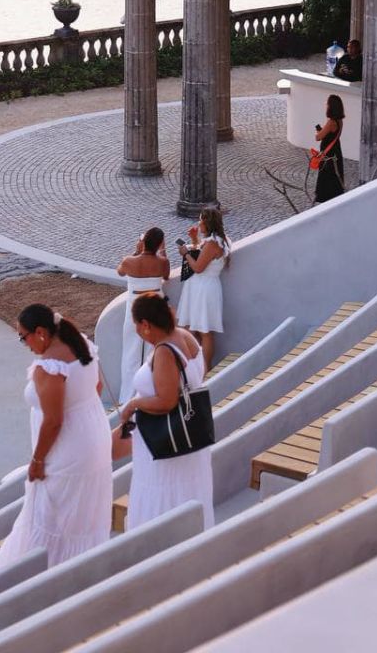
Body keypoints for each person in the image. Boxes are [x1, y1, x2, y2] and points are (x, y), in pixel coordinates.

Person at [0, 304, 112, 573]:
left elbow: (54, 421)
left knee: (50, 517)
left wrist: (37, 460)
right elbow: (97, 386)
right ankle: (82, 572)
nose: (25, 344)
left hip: (66, 452)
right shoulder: (82, 344)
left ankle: (43, 577)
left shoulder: (49, 367)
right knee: (84, 517)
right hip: (94, 439)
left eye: (23, 337)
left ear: (40, 332)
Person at [113, 294, 213, 530]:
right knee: (186, 493)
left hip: (165, 445)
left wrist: (133, 405)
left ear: (145, 324)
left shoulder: (165, 351)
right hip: (188, 439)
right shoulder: (186, 336)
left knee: (161, 496)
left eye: (136, 325)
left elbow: (167, 401)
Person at [117, 227, 171, 402]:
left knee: (130, 352)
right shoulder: (162, 262)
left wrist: (136, 251)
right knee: (153, 351)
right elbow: (166, 276)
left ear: (143, 241)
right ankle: (150, 392)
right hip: (156, 306)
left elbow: (120, 271)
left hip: (134, 307)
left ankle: (127, 396)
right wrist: (163, 251)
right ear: (159, 244)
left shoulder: (128, 261)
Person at [176, 206, 230, 373]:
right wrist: (194, 239)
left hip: (203, 289)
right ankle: (199, 368)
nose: (198, 223)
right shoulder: (217, 240)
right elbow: (202, 253)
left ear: (208, 223)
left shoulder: (212, 243)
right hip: (203, 288)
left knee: (204, 330)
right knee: (198, 328)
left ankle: (205, 369)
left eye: (201, 220)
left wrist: (185, 253)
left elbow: (198, 267)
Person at [313, 93, 345, 204]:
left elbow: (318, 137)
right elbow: (331, 135)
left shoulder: (331, 122)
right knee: (335, 177)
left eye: (327, 103)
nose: (326, 105)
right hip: (336, 151)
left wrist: (318, 131)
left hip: (328, 155)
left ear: (331, 107)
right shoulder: (339, 121)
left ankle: (325, 200)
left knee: (326, 178)